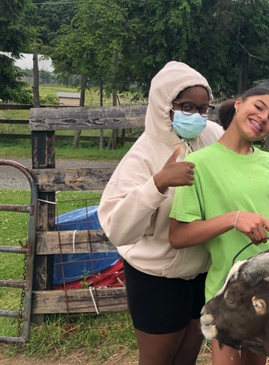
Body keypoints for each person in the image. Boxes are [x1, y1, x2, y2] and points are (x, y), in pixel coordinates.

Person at [98, 61, 224, 365]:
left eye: (204, 108)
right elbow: (117, 228)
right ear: (164, 105)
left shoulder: (210, 136)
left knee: (187, 358)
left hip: (201, 273)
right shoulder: (143, 155)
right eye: (187, 107)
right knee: (158, 360)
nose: (196, 116)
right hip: (157, 277)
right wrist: (157, 184)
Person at [168, 87, 269, 365]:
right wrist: (234, 219)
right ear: (239, 104)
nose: (264, 117)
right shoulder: (198, 164)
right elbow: (178, 236)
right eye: (259, 106)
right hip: (226, 294)